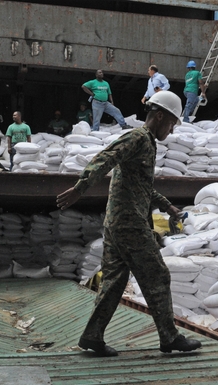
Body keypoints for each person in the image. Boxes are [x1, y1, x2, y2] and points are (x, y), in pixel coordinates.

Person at [56, 91, 201, 357]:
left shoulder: (147, 143)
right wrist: (81, 187)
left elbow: (142, 186)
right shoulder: (137, 138)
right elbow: (105, 157)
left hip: (118, 222)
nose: (171, 129)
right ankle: (169, 338)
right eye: (171, 123)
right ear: (159, 116)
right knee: (157, 274)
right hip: (129, 223)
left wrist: (167, 205)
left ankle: (92, 336)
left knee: (113, 280)